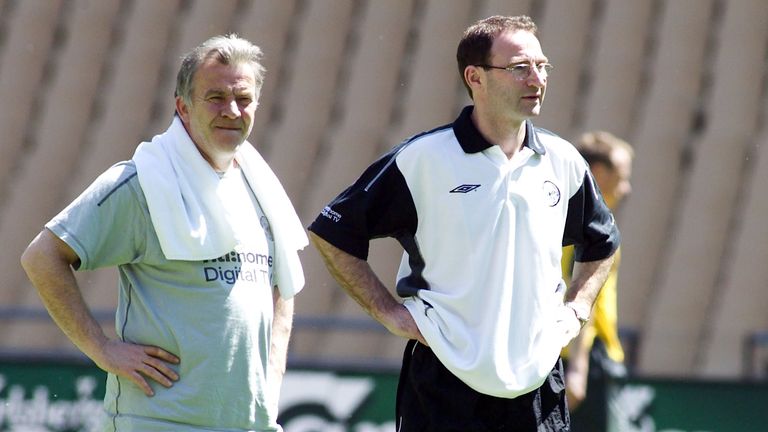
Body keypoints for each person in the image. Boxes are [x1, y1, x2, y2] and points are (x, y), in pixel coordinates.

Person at [307, 15, 619, 431]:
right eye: (519, 68)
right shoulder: (424, 158)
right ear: (475, 77)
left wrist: (577, 309)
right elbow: (333, 233)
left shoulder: (564, 162)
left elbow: (604, 244)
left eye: (542, 67)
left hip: (539, 385)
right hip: (443, 383)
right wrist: (387, 312)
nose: (536, 79)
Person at [20, 34, 308, 431]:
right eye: (216, 97)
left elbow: (282, 285)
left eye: (243, 98)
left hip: (249, 424)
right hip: (158, 420)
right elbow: (42, 257)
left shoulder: (262, 189)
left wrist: (271, 381)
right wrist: (102, 350)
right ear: (183, 108)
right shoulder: (143, 182)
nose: (232, 110)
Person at [561, 131, 634, 426]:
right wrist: (578, 369)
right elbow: (579, 293)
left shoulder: (590, 221)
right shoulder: (582, 225)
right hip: (584, 357)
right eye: (622, 175)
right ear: (598, 172)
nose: (627, 187)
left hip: (584, 355)